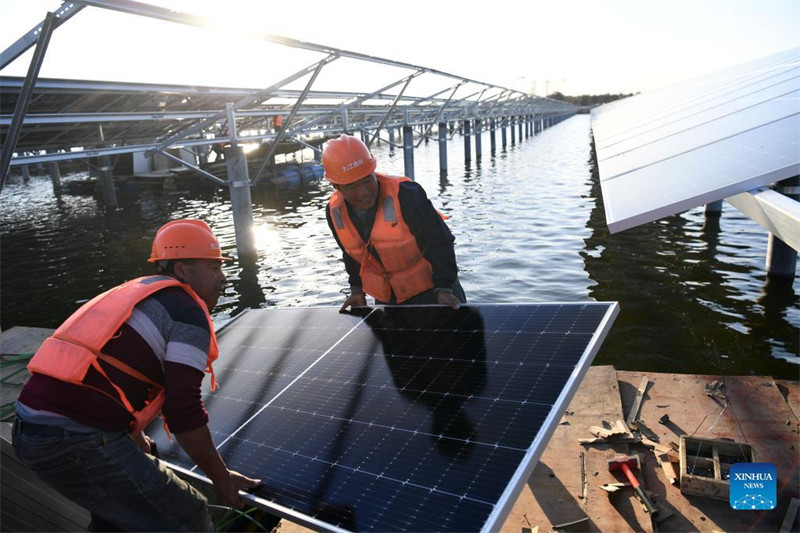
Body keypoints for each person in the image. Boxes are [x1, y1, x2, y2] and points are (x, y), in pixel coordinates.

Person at [12, 219, 261, 532]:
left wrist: (133, 437)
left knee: (118, 519)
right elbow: (183, 411)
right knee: (187, 515)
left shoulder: (140, 295)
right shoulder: (187, 314)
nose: (222, 278)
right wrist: (221, 478)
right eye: (213, 268)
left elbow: (106, 377)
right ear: (183, 270)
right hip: (74, 440)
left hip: (29, 430)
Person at [322, 134, 466, 312]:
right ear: (337, 187)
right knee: (396, 340)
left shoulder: (406, 195)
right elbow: (351, 253)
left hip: (433, 291)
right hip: (387, 300)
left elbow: (440, 241)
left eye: (367, 180)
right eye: (352, 187)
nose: (364, 192)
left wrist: (444, 287)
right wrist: (356, 290)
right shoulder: (334, 212)